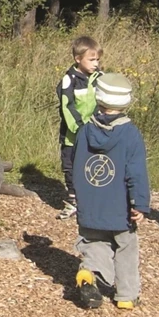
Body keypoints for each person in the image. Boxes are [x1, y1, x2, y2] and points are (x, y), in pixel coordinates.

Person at [73, 73, 151, 310]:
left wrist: (76, 192)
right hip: (120, 208)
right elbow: (136, 172)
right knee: (125, 247)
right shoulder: (130, 134)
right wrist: (139, 203)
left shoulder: (85, 130)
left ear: (98, 98)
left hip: (90, 204)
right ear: (126, 101)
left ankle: (89, 272)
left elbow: (75, 162)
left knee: (95, 241)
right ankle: (126, 295)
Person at [56, 36, 102, 220]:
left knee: (92, 166)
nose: (96, 63)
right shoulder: (69, 80)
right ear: (78, 59)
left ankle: (91, 200)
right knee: (70, 167)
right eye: (91, 60)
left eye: (97, 59)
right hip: (72, 136)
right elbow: (67, 107)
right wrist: (80, 129)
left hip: (95, 133)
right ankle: (73, 201)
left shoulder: (99, 78)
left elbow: (104, 104)